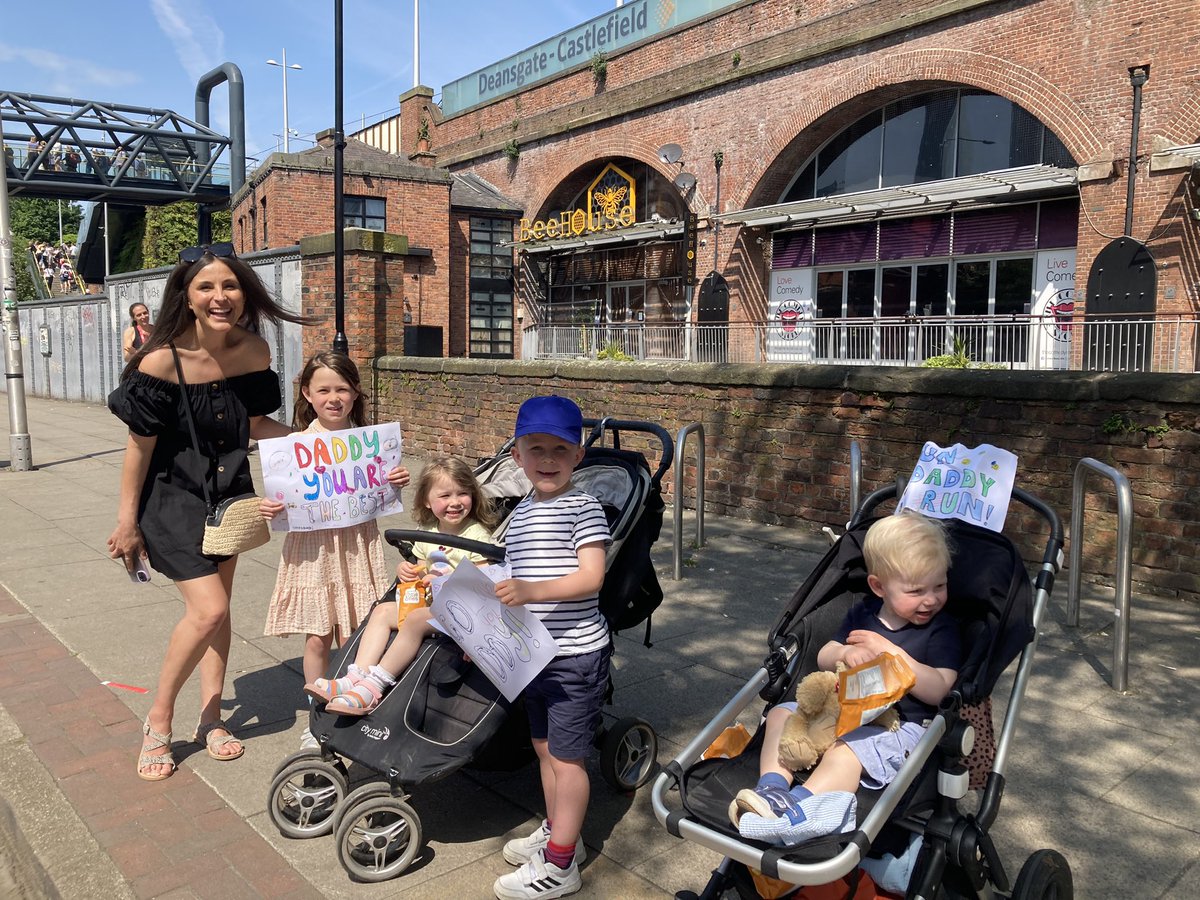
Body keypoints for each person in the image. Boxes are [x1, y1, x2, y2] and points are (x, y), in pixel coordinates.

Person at [106, 242, 311, 782]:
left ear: (245, 292)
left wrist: (317, 442)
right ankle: (158, 719)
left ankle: (211, 718)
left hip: (230, 495)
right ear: (187, 297)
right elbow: (140, 448)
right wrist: (127, 523)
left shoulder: (253, 352)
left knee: (219, 609)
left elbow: (251, 427)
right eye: (206, 287)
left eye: (230, 285)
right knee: (210, 611)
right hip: (171, 498)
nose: (220, 297)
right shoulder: (159, 360)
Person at [729, 511, 962, 846]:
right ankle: (773, 789)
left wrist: (893, 656)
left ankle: (800, 809)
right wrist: (842, 654)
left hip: (902, 726)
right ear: (879, 586)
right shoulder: (864, 613)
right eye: (916, 590)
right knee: (781, 714)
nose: (931, 599)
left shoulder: (941, 629)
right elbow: (825, 654)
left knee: (846, 753)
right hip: (844, 709)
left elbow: (940, 689)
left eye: (940, 586)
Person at [258, 351, 411, 746]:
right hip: (312, 546)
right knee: (316, 634)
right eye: (323, 389)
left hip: (357, 541)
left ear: (356, 391)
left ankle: (352, 699)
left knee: (358, 630)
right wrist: (269, 506)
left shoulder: (369, 442)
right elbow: (280, 498)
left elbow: (383, 489)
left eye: (342, 388)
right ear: (306, 393)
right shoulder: (293, 445)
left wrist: (396, 479)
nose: (333, 397)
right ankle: (318, 715)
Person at [492, 395, 611, 900]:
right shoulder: (520, 511)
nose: (546, 459)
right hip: (535, 654)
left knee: (568, 760)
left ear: (578, 456)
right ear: (516, 456)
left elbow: (592, 575)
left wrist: (533, 592)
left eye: (559, 450)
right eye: (534, 448)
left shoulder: (582, 508)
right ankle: (559, 831)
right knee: (544, 750)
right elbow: (512, 574)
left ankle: (561, 865)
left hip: (575, 657)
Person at [309, 456, 499, 717]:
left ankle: (373, 687)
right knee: (381, 611)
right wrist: (408, 571)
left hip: (461, 611)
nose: (455, 502)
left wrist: (446, 581)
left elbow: (483, 579)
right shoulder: (428, 531)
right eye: (445, 495)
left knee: (415, 619)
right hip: (432, 605)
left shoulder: (476, 535)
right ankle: (355, 676)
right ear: (426, 501)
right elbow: (422, 569)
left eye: (463, 494)